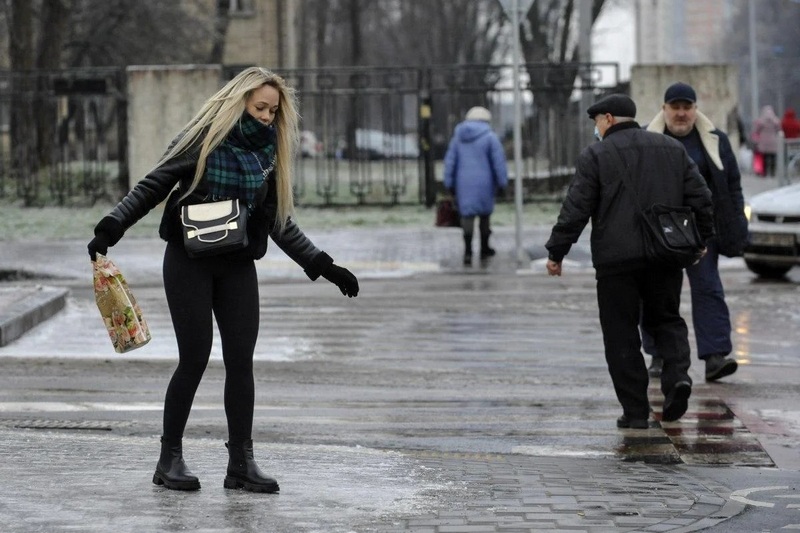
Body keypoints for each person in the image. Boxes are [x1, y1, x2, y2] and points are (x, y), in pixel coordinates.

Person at [87, 67, 359, 493]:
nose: (268, 116)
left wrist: (323, 265)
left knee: (240, 362)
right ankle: (169, 458)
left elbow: (279, 223)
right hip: (187, 262)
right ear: (240, 103)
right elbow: (152, 186)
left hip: (237, 267)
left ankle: (241, 464)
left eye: (273, 110)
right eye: (260, 108)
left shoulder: (267, 156)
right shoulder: (203, 140)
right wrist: (112, 227)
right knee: (194, 358)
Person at [545, 94, 714, 429]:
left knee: (620, 334)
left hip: (616, 262)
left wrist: (557, 251)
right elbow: (702, 198)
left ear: (608, 118)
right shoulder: (671, 148)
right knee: (666, 320)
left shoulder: (596, 155)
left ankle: (636, 412)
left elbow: (576, 208)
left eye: (597, 122)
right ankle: (677, 377)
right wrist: (701, 240)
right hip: (665, 255)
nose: (596, 129)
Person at [644, 82, 748, 383]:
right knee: (657, 293)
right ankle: (659, 355)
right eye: (675, 107)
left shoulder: (715, 140)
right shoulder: (647, 139)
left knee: (709, 289)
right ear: (664, 109)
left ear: (695, 109)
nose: (681, 114)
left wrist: (737, 223)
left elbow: (732, 186)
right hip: (661, 230)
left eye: (686, 107)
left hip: (703, 230)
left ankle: (715, 356)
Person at [444, 106, 508, 265]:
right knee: (485, 216)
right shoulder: (490, 138)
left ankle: (467, 251)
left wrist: (449, 183)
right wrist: (502, 182)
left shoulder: (457, 138)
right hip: (485, 183)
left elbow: (450, 162)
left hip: (463, 183)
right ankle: (485, 248)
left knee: (467, 216)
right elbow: (498, 162)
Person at [752, 105, 782, 177]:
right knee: (773, 157)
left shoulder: (760, 121)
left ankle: (764, 172)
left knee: (764, 158)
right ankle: (772, 172)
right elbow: (779, 130)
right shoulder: (776, 121)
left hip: (763, 141)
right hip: (773, 141)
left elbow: (756, 131)